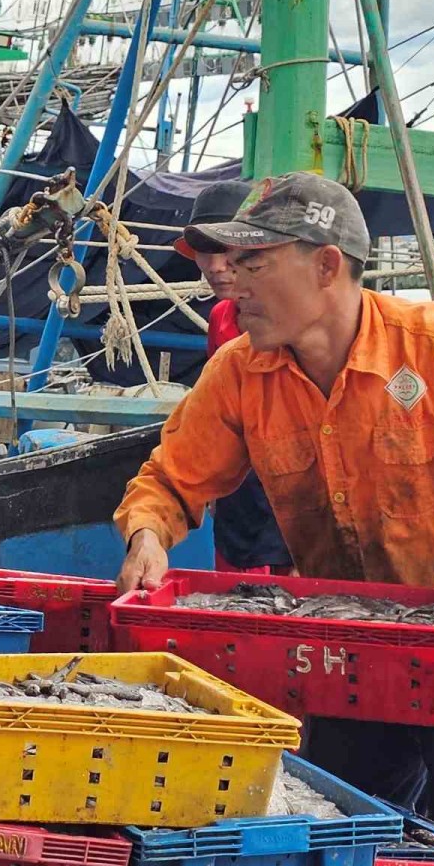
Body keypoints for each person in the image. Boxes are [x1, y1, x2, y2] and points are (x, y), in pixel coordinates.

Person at [113, 171, 434, 866]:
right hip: (350, 650)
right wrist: (147, 535)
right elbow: (169, 480)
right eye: (232, 265)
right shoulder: (241, 373)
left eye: (255, 263)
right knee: (340, 845)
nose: (232, 282)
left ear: (327, 264)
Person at [172, 180, 291, 572]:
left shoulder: (300, 321)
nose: (216, 266)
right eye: (205, 252)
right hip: (241, 488)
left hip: (294, 489)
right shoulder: (221, 319)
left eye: (226, 250)